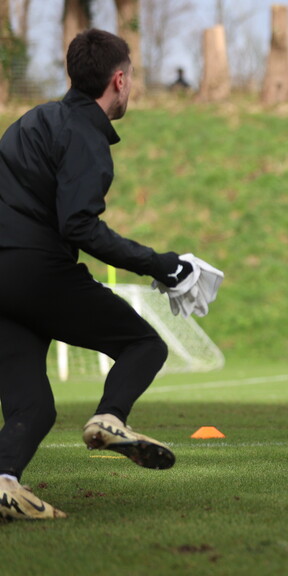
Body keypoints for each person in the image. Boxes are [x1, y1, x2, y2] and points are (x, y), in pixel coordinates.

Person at [0, 29, 198, 520]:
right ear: (119, 80)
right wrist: (162, 265)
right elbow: (79, 225)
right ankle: (110, 419)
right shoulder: (84, 134)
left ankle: (3, 482)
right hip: (37, 271)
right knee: (144, 344)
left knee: (33, 408)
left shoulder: (32, 121)